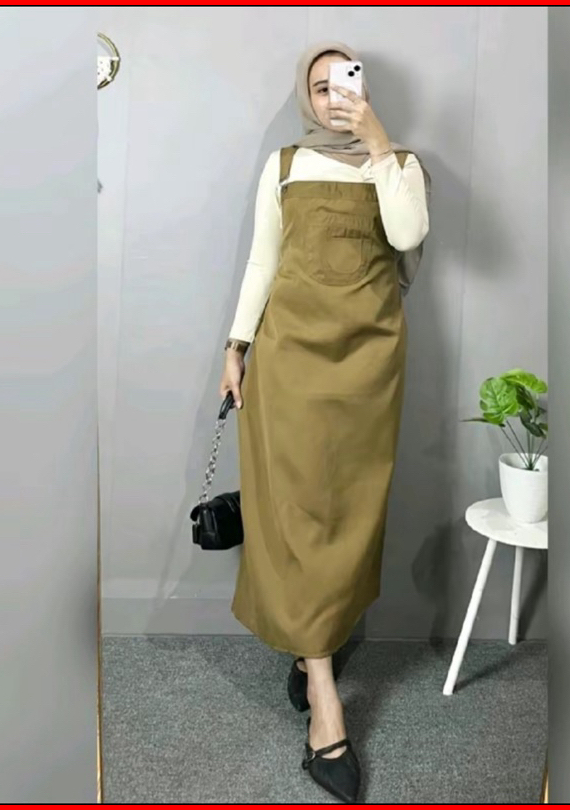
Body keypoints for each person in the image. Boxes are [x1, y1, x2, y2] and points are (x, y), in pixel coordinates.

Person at [219, 41, 430, 804]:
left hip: (369, 370)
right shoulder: (284, 166)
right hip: (290, 365)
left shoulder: (399, 164)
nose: (333, 96)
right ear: (305, 97)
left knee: (348, 515)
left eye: (345, 82)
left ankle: (314, 647)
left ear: (363, 89)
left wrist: (378, 142)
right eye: (320, 86)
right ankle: (325, 702)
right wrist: (236, 346)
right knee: (299, 513)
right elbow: (262, 263)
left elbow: (407, 236)